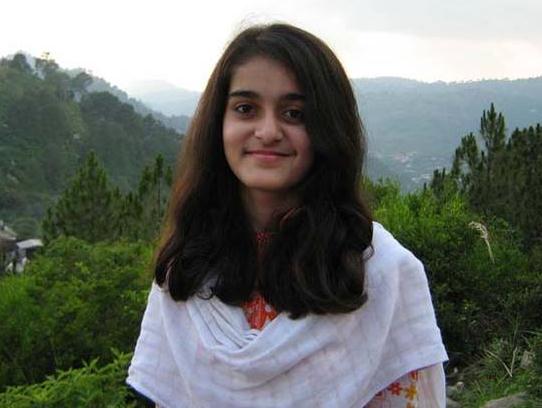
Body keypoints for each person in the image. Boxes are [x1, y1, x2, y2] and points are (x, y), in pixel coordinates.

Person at [127, 23, 448, 407]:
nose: (267, 131)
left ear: (328, 129)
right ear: (219, 123)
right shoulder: (186, 267)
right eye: (245, 109)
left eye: (294, 113)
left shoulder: (381, 272)